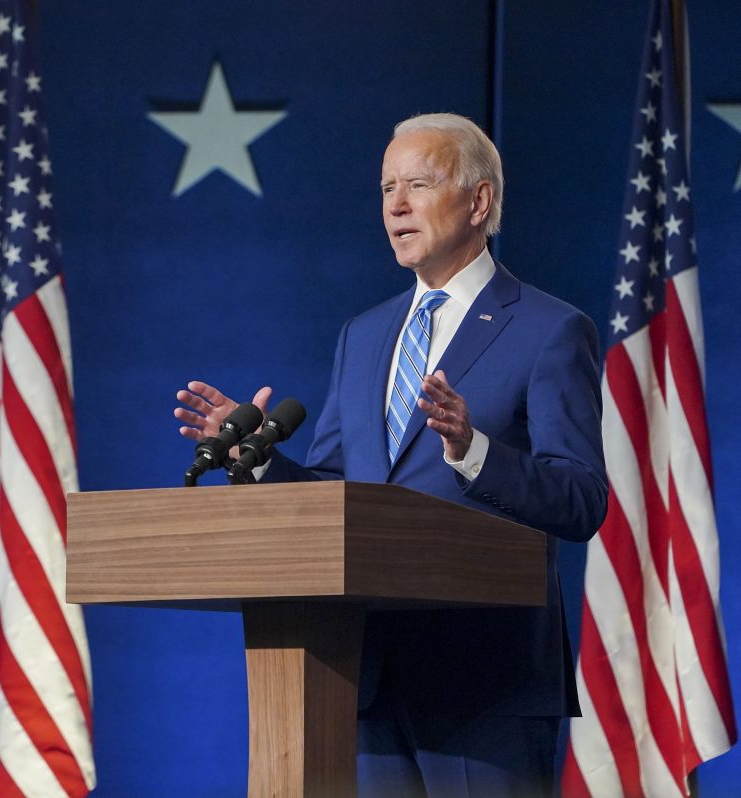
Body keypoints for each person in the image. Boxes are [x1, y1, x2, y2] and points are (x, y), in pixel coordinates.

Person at [175, 113, 608, 797]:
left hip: (485, 685)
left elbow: (582, 500)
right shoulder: (365, 334)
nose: (396, 206)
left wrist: (475, 451)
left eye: (418, 184)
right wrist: (253, 457)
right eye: (385, 189)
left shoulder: (550, 330)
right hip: (365, 673)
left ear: (479, 200)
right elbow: (334, 490)